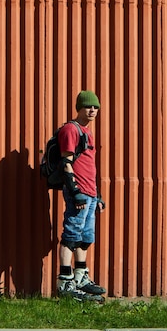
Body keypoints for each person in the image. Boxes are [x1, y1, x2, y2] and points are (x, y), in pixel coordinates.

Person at [56, 90, 106, 302]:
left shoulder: (87, 132)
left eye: (95, 107)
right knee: (71, 235)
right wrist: (75, 192)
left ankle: (81, 276)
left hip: (90, 193)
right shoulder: (71, 129)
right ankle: (65, 282)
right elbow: (66, 163)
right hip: (79, 192)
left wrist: (97, 195)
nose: (92, 110)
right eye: (88, 106)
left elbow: (88, 166)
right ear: (79, 108)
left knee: (85, 238)